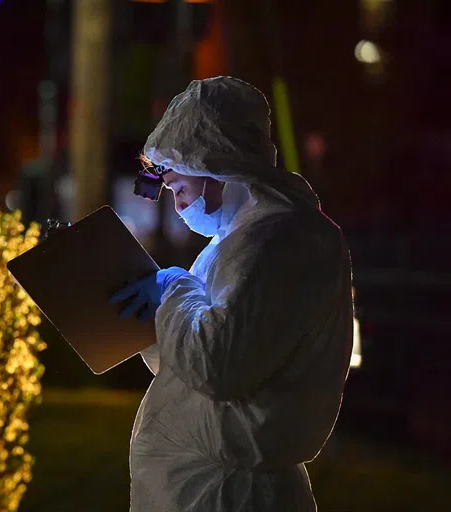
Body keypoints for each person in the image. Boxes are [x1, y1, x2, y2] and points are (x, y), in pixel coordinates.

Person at [110, 76, 354, 511]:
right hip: (206, 488)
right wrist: (146, 323)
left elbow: (216, 364)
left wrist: (172, 285)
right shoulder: (235, 240)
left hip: (234, 497)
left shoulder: (282, 239)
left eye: (178, 185)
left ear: (212, 162)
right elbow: (186, 363)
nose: (176, 200)